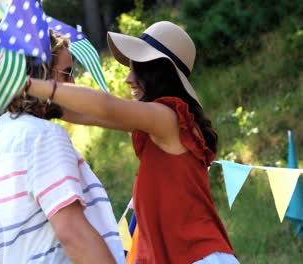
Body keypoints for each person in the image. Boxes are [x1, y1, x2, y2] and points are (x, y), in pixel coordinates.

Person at [23, 21, 238, 263]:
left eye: (137, 69)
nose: (128, 78)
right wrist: (34, 105)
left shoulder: (168, 118)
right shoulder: (158, 124)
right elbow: (90, 115)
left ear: (157, 73)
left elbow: (107, 107)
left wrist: (30, 85)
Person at [0, 30, 125, 263]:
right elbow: (73, 234)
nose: (73, 84)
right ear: (40, 76)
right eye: (67, 73)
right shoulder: (43, 136)